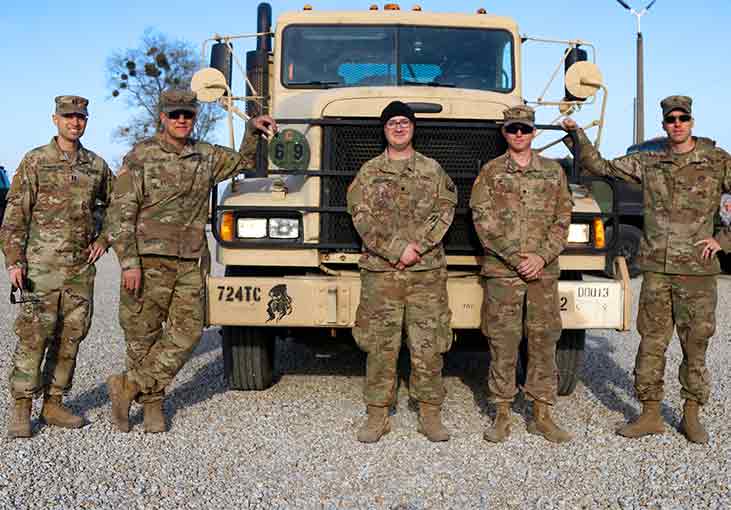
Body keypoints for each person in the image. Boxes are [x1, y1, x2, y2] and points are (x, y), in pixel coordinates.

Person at [104, 89, 277, 433]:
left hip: (189, 260)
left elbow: (242, 161)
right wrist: (128, 263)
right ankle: (153, 406)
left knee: (189, 330)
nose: (182, 120)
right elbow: (120, 213)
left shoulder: (205, 155)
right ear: (162, 118)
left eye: (188, 114)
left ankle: (129, 385)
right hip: (148, 261)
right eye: (175, 114)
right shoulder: (141, 156)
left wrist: (252, 131)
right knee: (143, 335)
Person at [563, 96, 731, 444]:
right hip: (655, 268)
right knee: (651, 344)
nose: (677, 124)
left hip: (696, 272)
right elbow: (602, 167)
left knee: (695, 344)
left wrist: (724, 240)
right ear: (664, 124)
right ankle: (650, 413)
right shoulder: (649, 162)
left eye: (683, 118)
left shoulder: (716, 160)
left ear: (692, 122)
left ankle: (691, 415)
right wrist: (576, 134)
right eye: (671, 119)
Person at [2, 95, 113, 439]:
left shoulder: (95, 165)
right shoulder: (36, 161)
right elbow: (14, 215)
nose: (74, 122)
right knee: (34, 336)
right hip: (40, 267)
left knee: (71, 337)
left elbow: (118, 205)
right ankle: (22, 407)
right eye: (68, 117)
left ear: (86, 121)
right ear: (55, 119)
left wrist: (104, 240)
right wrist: (14, 260)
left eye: (80, 117)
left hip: (80, 270)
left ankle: (53, 403)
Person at [347, 101, 457, 443]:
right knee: (381, 346)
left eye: (404, 123)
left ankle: (429, 415)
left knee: (429, 345)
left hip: (425, 272)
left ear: (412, 128)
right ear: (384, 129)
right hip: (382, 273)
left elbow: (446, 210)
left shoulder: (433, 170)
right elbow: (361, 217)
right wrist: (396, 249)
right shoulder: (368, 173)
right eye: (392, 123)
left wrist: (417, 248)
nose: (398, 127)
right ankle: (377, 415)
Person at [470, 105, 573, 444]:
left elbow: (562, 219)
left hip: (542, 273)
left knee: (544, 341)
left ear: (533, 132)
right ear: (505, 132)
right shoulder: (490, 172)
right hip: (504, 272)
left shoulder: (553, 172)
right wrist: (515, 258)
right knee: (503, 341)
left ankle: (542, 413)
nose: (518, 134)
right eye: (512, 129)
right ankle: (501, 412)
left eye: (524, 129)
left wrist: (541, 256)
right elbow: (482, 220)